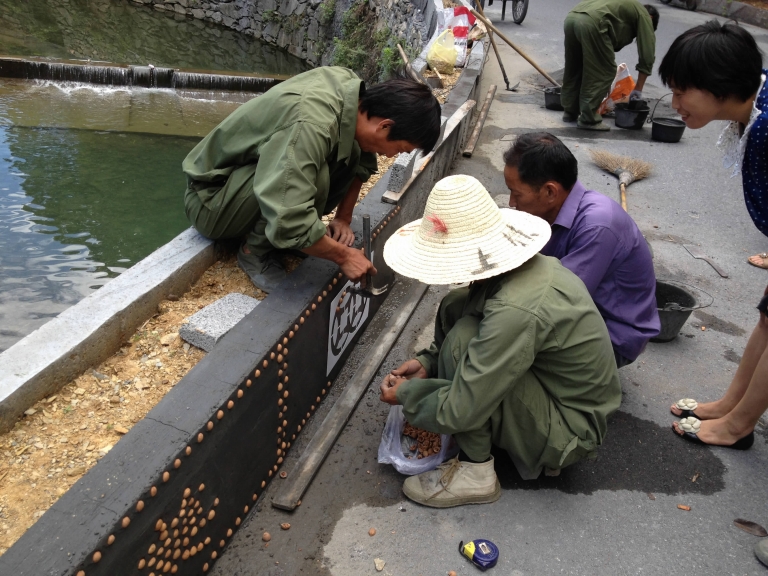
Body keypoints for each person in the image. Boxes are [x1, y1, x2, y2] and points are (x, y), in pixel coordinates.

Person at [378, 174, 621, 508]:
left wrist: (406, 394)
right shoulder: (520, 271)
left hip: (570, 431)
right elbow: (466, 317)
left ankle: (477, 473)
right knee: (455, 306)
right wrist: (429, 362)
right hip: (550, 392)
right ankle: (484, 434)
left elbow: (462, 407)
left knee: (463, 342)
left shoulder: (516, 308)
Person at [658, 19, 767, 567]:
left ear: (722, 85)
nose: (674, 102)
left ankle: (739, 425)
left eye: (681, 91)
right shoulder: (756, 105)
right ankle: (731, 409)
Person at [182, 67, 442, 292]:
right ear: (385, 125)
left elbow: (362, 160)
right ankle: (255, 251)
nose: (389, 155)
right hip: (211, 200)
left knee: (343, 151)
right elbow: (289, 218)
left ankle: (286, 240)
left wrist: (343, 218)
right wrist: (343, 256)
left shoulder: (352, 95)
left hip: (242, 185)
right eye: (398, 149)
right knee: (312, 177)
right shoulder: (312, 125)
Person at [502, 132, 660, 367]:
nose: (511, 203)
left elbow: (555, 304)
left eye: (517, 194)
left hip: (612, 338)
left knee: (502, 347)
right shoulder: (553, 211)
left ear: (550, 192)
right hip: (583, 313)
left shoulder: (597, 226)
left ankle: (585, 387)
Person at [561, 0, 659, 131]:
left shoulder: (623, 7)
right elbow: (647, 54)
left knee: (576, 65)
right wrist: (638, 89)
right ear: (651, 18)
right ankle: (588, 119)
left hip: (572, 18)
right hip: (592, 22)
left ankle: (570, 111)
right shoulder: (645, 16)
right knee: (604, 71)